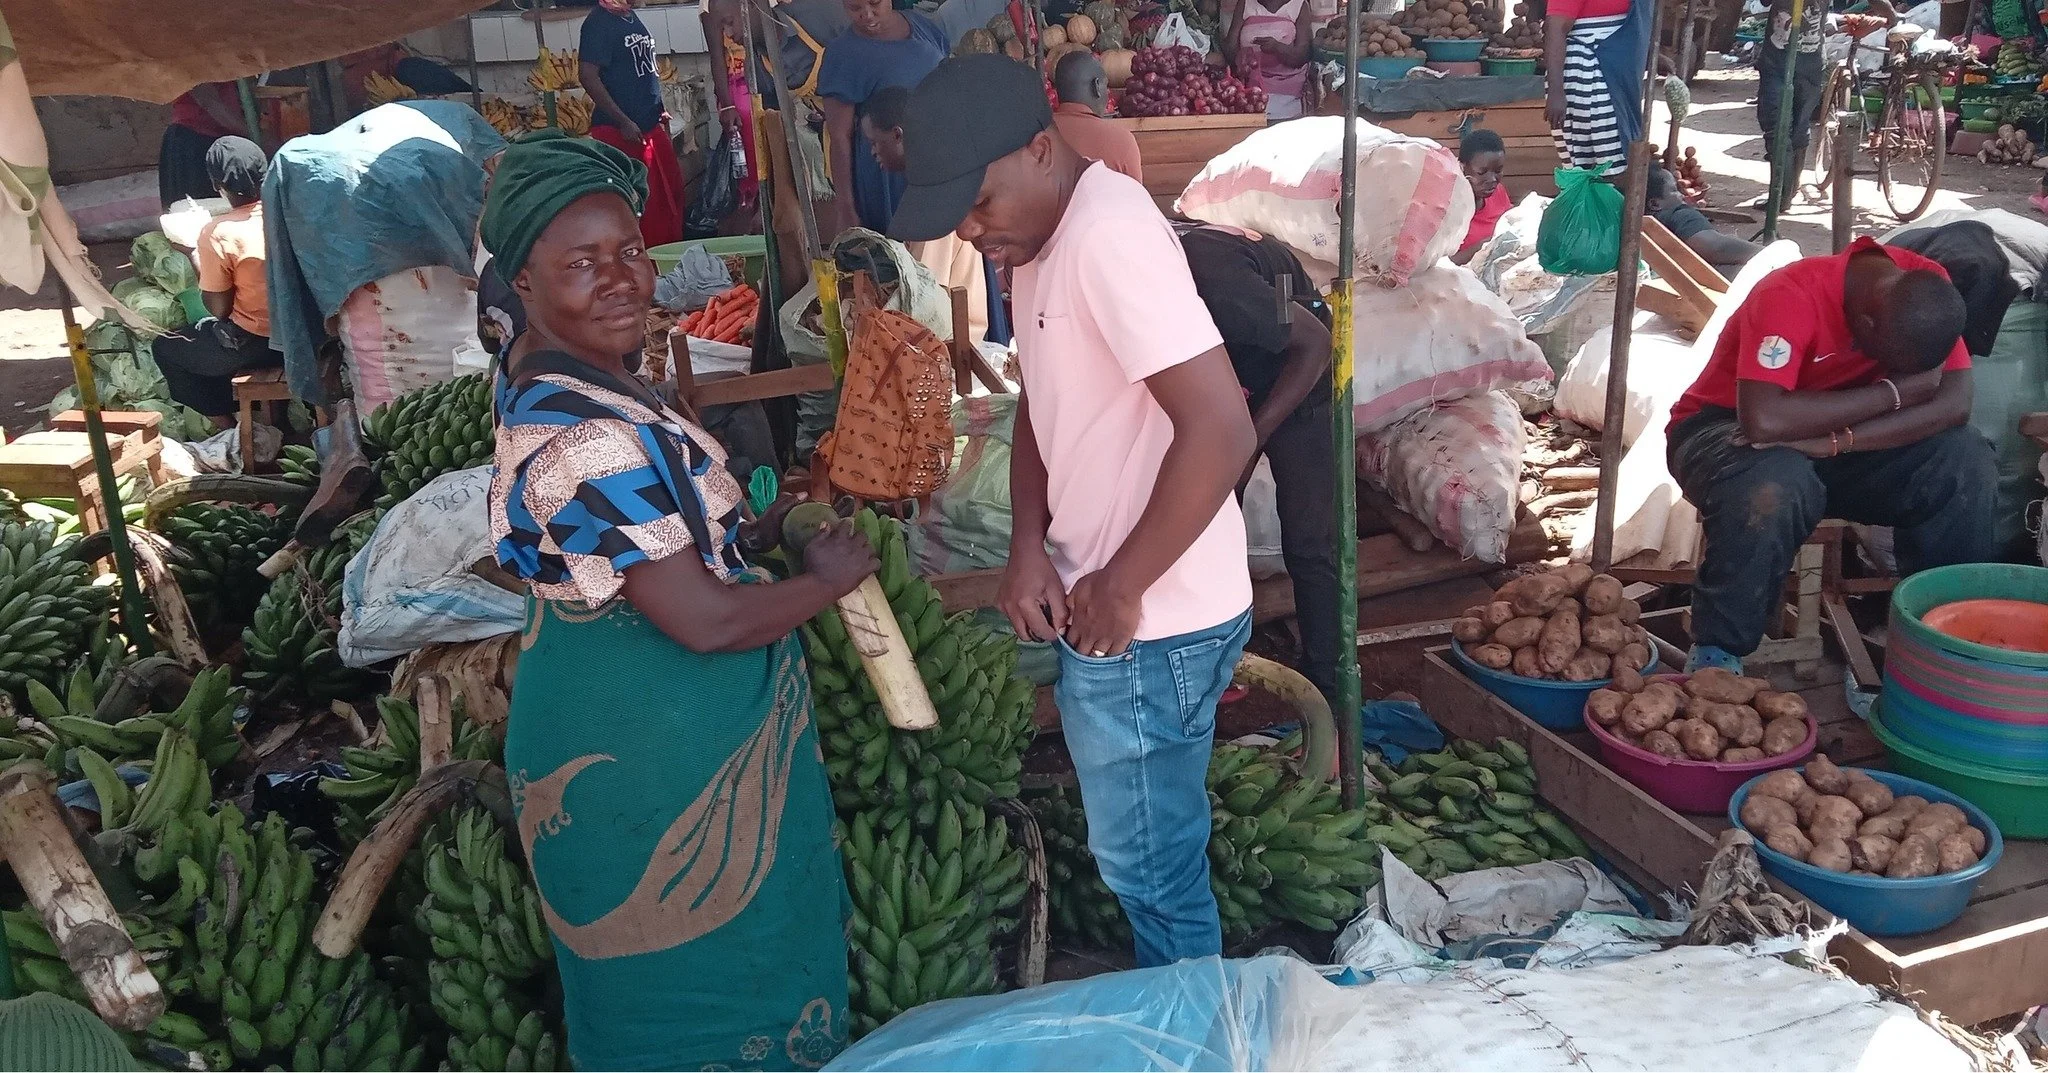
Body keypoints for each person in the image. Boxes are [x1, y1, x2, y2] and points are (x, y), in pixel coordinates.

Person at [482, 131, 863, 1069]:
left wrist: (763, 532)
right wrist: (822, 585)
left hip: (663, 734)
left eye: (629, 254)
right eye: (581, 265)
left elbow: (659, 542)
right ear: (522, 285)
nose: (619, 281)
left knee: (742, 972)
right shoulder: (583, 436)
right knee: (691, 993)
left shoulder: (583, 375)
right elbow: (703, 619)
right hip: (644, 753)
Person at [892, 54, 1256, 967]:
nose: (973, 233)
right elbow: (1040, 406)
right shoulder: (1037, 239)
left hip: (1149, 622)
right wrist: (1026, 545)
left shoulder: (1105, 237)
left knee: (1149, 869)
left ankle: (1197, 1034)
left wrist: (1122, 587)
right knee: (1152, 849)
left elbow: (1220, 426)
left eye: (979, 205)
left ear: (1038, 149)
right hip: (1116, 601)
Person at [1666, 237, 1998, 673]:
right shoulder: (1790, 295)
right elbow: (1763, 421)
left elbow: (1953, 405)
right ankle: (1718, 654)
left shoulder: (1923, 290)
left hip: (1837, 440)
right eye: (1885, 358)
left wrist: (1836, 442)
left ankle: (1944, 644)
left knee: (1965, 460)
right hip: (1723, 429)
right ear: (1866, 321)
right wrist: (1895, 392)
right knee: (1775, 485)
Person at [1176, 222, 1341, 706]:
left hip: (1300, 372)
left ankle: (1328, 689)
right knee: (1215, 527)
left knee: (1311, 541)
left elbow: (1313, 343)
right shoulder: (1148, 289)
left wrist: (1253, 434)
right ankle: (1224, 665)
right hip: (1230, 378)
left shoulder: (1215, 280)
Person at [858, 86, 1012, 344]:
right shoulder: (931, 185)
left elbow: (924, 297)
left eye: (875, 142)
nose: (873, 152)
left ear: (897, 135)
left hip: (950, 344)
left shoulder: (933, 202)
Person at [151, 137, 279, 423]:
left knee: (167, 349)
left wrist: (193, 253)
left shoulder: (218, 232)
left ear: (215, 185)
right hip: (312, 337)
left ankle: (230, 429)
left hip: (261, 345)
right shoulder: (291, 216)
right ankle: (275, 421)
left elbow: (218, 309)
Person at [817, 0, 949, 236]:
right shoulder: (843, 55)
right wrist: (845, 206)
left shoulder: (923, 27)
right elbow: (839, 138)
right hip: (888, 177)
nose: (867, 14)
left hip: (941, 166)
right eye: (854, 8)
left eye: (875, 3)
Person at [580, 0, 685, 247]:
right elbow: (587, 75)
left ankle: (671, 254)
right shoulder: (598, 23)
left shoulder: (628, 15)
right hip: (621, 132)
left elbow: (640, 69)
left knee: (672, 192)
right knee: (645, 205)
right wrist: (623, 120)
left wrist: (658, 109)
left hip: (648, 124)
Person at [1544, 0, 1651, 170]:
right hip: (1592, 78)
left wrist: (1651, 56)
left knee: (1616, 165)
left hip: (1618, 80)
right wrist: (1556, 91)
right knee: (1602, 169)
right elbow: (1555, 27)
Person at [1755, 0, 1826, 210]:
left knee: (1788, 127)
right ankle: (1784, 194)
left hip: (1799, 64)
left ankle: (1783, 195)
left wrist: (1892, 18)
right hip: (1784, 62)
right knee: (1784, 127)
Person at [1646, 166, 1763, 276]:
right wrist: (1769, 254)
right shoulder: (1680, 214)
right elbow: (1715, 247)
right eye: (1674, 190)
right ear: (1655, 204)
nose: (1682, 195)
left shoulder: (1640, 224)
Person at [703, 0, 762, 216]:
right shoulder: (712, 6)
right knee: (749, 156)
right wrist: (727, 104)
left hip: (762, 79)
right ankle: (752, 207)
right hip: (737, 90)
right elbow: (716, 57)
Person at [1050, 51, 1145, 182]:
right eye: (1105, 85)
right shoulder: (1121, 141)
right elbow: (1135, 200)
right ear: (1096, 87)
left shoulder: (1040, 136)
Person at [159, 82, 249, 209]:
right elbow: (210, 102)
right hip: (193, 144)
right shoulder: (196, 66)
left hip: (223, 141)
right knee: (195, 211)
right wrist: (250, 132)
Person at [1223, 0, 1315, 120]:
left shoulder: (1299, 5)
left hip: (1287, 98)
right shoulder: (1245, 3)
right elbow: (1230, 46)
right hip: (1250, 96)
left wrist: (1278, 48)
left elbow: (1304, 54)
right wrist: (1241, 57)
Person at [1454, 129, 1510, 265]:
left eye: (1498, 171)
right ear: (1462, 167)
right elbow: (1437, 265)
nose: (1492, 179)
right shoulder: (1448, 210)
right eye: (1482, 172)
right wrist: (1483, 248)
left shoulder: (1497, 193)